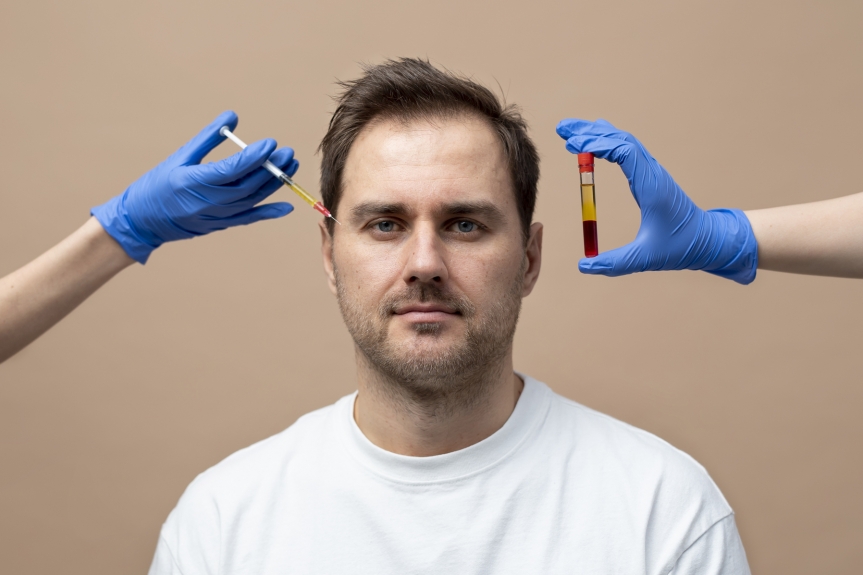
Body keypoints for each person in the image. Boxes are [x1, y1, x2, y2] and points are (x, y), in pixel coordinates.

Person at [141, 59, 749, 574]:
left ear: (530, 259)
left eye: (465, 224)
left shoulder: (664, 509)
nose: (425, 263)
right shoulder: (222, 524)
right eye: (386, 224)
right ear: (330, 255)